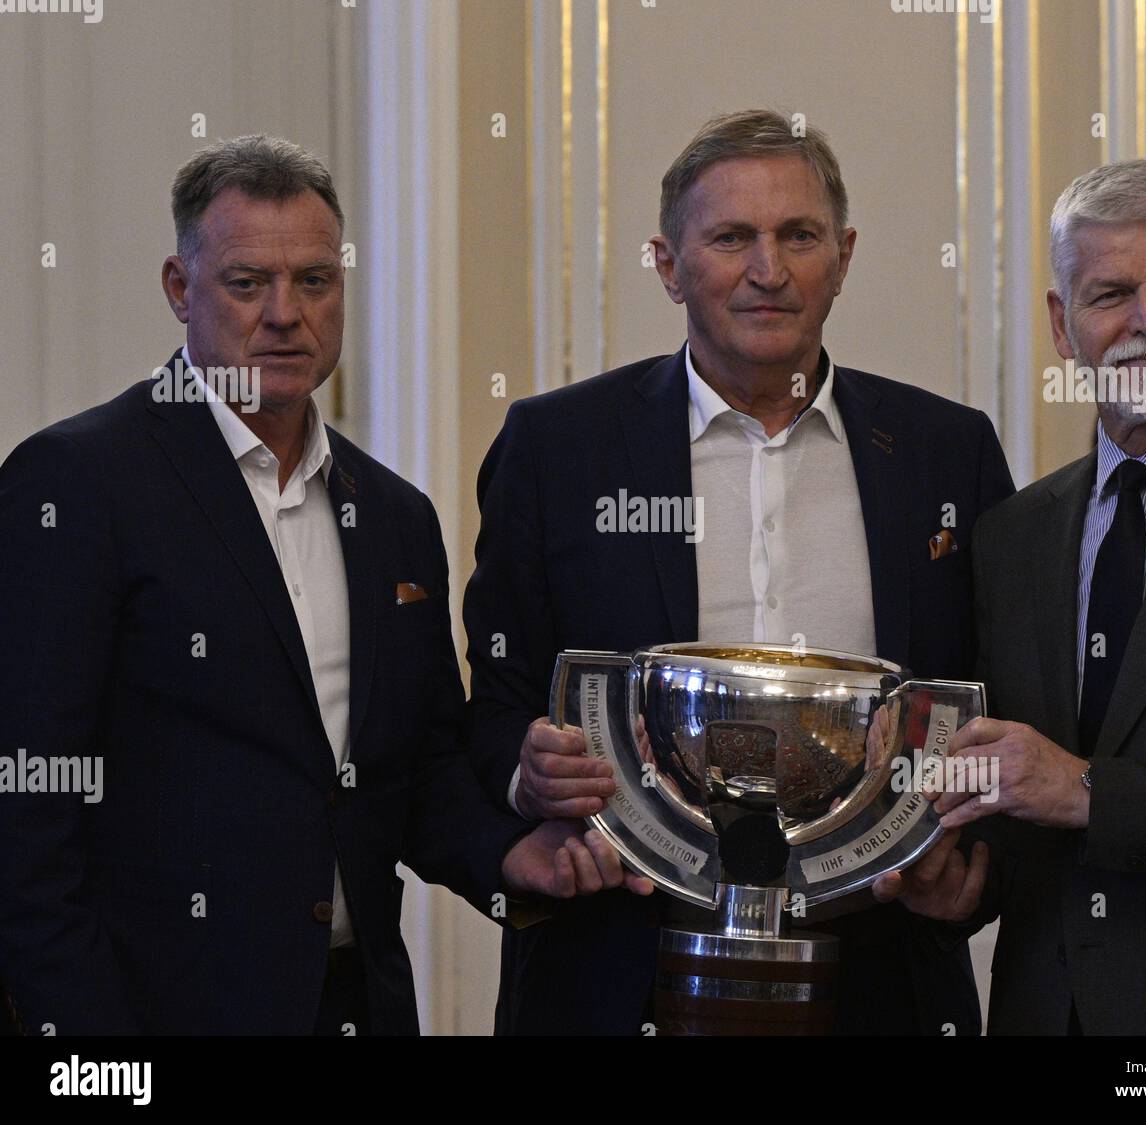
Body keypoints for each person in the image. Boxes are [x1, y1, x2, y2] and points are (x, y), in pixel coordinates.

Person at [0, 134, 648, 1037]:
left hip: (357, 1003)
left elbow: (414, 772)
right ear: (181, 290)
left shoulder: (394, 516)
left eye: (314, 281)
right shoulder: (78, 482)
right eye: (245, 282)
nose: (284, 314)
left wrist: (514, 854)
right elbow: (28, 808)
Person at [464, 109, 1016, 1035]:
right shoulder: (556, 448)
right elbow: (487, 713)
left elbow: (1000, 702)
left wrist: (977, 868)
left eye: (798, 236)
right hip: (614, 971)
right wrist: (529, 780)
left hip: (881, 975)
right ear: (669, 265)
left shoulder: (944, 453)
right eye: (731, 238)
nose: (769, 269)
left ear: (842, 257)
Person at [875, 159, 1146, 1035]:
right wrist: (960, 880)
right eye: (1111, 294)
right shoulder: (1014, 534)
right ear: (1063, 326)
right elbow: (1023, 811)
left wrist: (1090, 789)